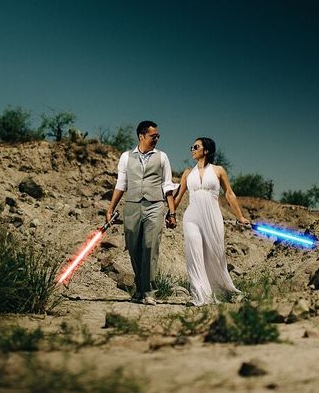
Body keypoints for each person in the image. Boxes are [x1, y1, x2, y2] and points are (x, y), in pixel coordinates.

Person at [106, 121, 178, 305]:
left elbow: (167, 186)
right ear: (141, 136)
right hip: (132, 206)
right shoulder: (125, 157)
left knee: (150, 247)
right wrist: (110, 208)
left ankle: (149, 292)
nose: (157, 139)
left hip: (155, 205)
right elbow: (121, 184)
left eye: (158, 136)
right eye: (153, 136)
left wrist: (172, 212)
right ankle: (139, 288)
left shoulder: (162, 157)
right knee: (134, 248)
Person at [174, 137, 250, 306]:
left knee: (215, 255)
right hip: (191, 217)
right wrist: (170, 213)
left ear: (206, 150)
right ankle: (200, 296)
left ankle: (224, 290)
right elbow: (178, 196)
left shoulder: (218, 170)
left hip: (212, 217)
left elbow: (229, 194)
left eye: (196, 147)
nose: (192, 149)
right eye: (191, 147)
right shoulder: (188, 173)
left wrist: (240, 216)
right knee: (194, 253)